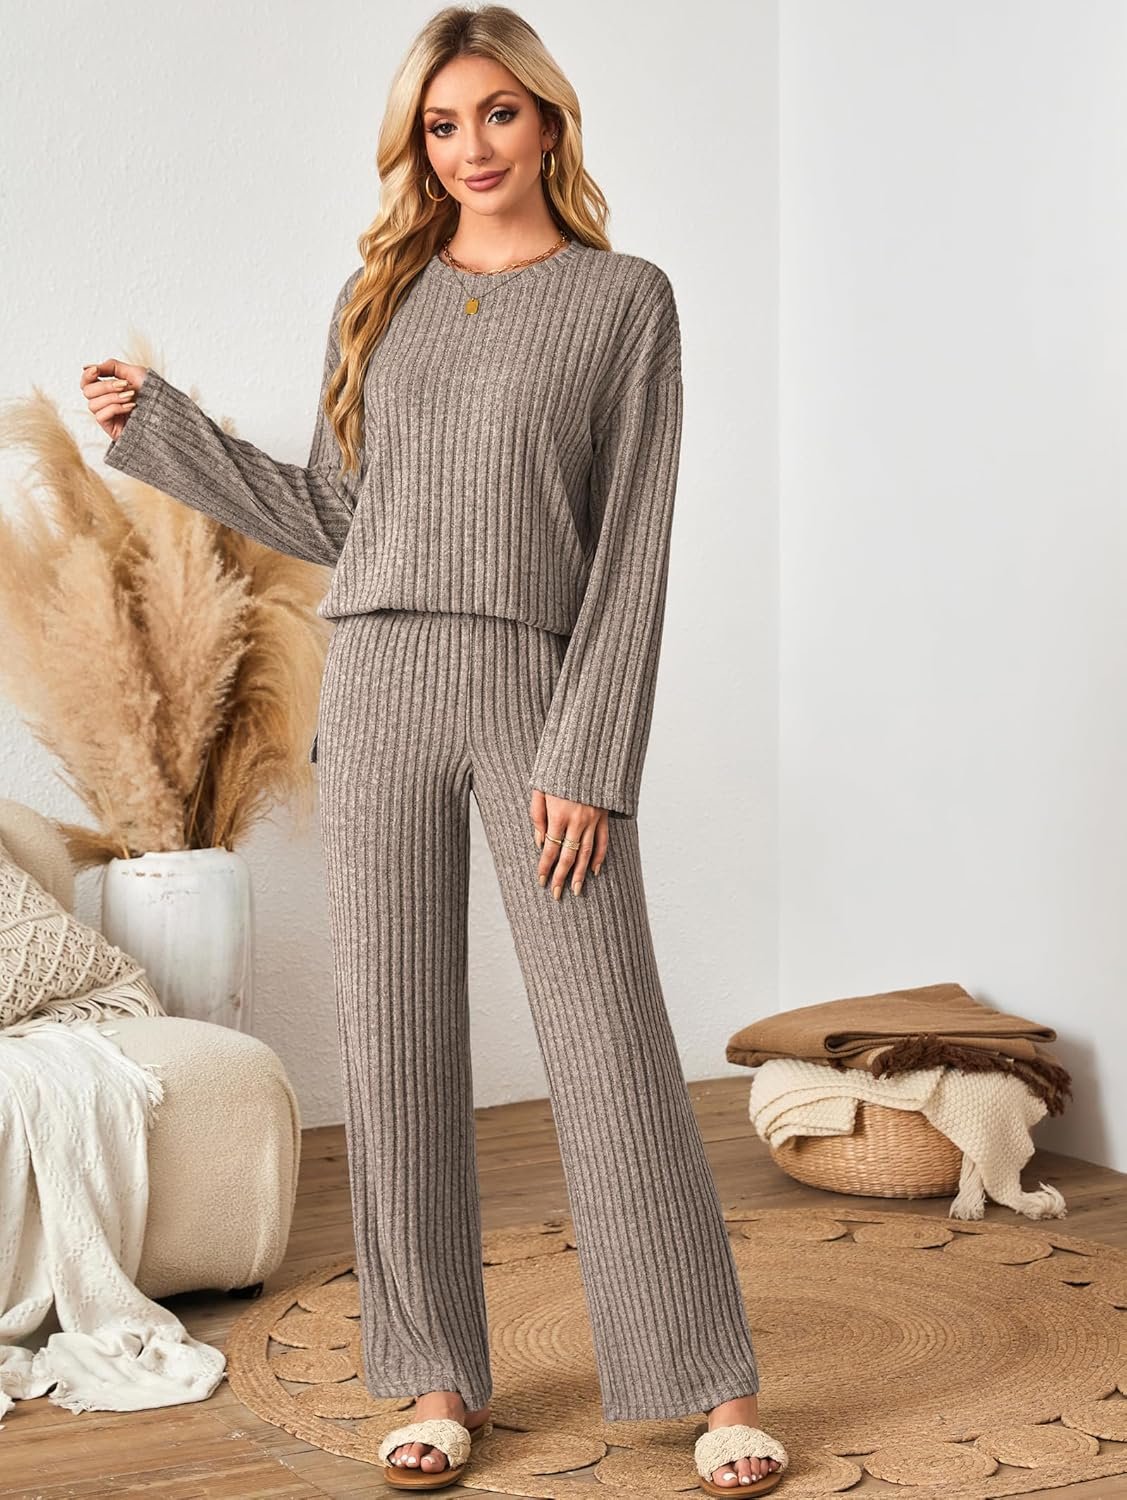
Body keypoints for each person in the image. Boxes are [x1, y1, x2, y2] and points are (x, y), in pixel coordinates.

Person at [80, 5, 788, 1493]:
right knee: (396, 1043)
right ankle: (434, 1379)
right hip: (382, 682)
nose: (471, 148)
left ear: (550, 119)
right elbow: (341, 518)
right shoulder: (377, 296)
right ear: (419, 143)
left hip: (536, 683)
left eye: (498, 114)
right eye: (442, 124)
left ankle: (711, 1385)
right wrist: (165, 434)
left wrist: (593, 754)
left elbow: (633, 549)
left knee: (607, 1038)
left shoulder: (624, 301)